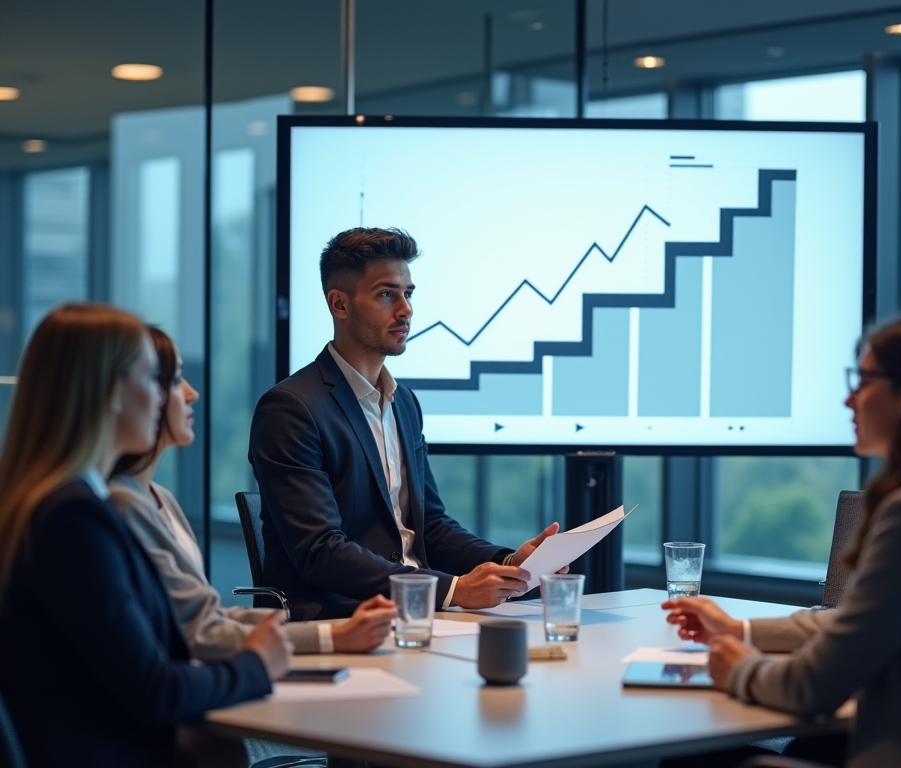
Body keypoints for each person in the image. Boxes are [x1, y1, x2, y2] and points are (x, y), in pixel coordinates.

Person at [662, 318, 901, 768]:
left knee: (694, 760)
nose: (847, 400)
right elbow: (859, 624)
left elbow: (813, 689)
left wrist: (737, 667)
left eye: (864, 381)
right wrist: (742, 632)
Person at [0, 304, 291, 768]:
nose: (165, 397)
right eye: (152, 377)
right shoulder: (72, 520)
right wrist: (256, 665)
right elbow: (155, 690)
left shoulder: (68, 505)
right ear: (109, 390)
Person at [250, 227, 567, 619]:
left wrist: (507, 562)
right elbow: (320, 552)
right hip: (348, 622)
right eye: (387, 294)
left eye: (408, 294)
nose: (406, 309)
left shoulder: (404, 403)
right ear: (340, 305)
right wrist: (452, 589)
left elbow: (428, 524)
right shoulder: (291, 408)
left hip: (424, 617)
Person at [108, 326, 397, 660]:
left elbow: (208, 617)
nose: (191, 393)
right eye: (173, 381)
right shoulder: (122, 504)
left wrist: (333, 634)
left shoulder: (161, 499)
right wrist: (329, 637)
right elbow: (198, 631)